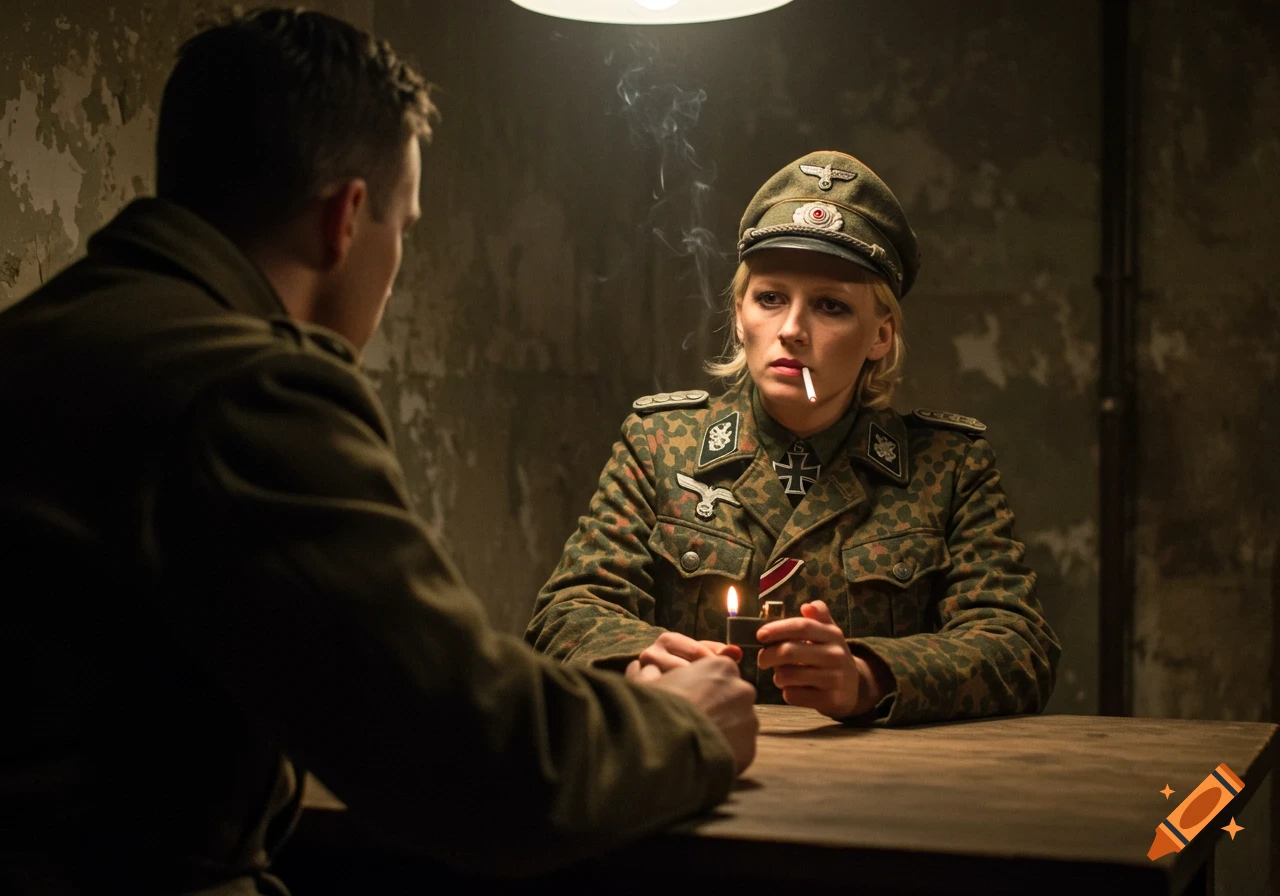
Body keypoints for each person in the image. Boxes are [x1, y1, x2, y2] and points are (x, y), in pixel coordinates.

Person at [0, 8, 758, 895]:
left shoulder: (35, 342)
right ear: (346, 220)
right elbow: (483, 764)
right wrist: (684, 725)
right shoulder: (251, 389)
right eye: (405, 226)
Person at [526, 149, 1061, 726]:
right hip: (699, 771)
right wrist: (643, 665)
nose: (791, 330)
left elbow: (1017, 645)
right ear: (738, 314)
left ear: (880, 335)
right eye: (771, 297)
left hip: (885, 792)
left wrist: (868, 676)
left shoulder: (949, 466)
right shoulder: (660, 446)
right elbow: (567, 612)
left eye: (830, 306)